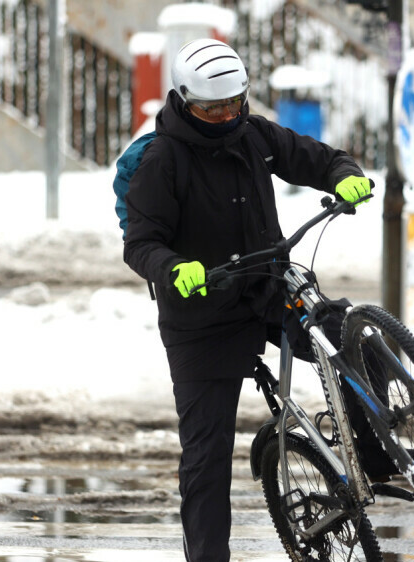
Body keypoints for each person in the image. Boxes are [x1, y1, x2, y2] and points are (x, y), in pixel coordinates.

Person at [120, 38, 375, 562]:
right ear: (184, 99)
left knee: (348, 334)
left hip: (267, 289)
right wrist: (173, 269)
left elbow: (316, 158)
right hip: (200, 320)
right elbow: (140, 243)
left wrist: (343, 174)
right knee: (206, 460)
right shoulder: (163, 160)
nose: (226, 114)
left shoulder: (255, 134)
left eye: (234, 102)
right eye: (213, 107)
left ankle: (383, 454)